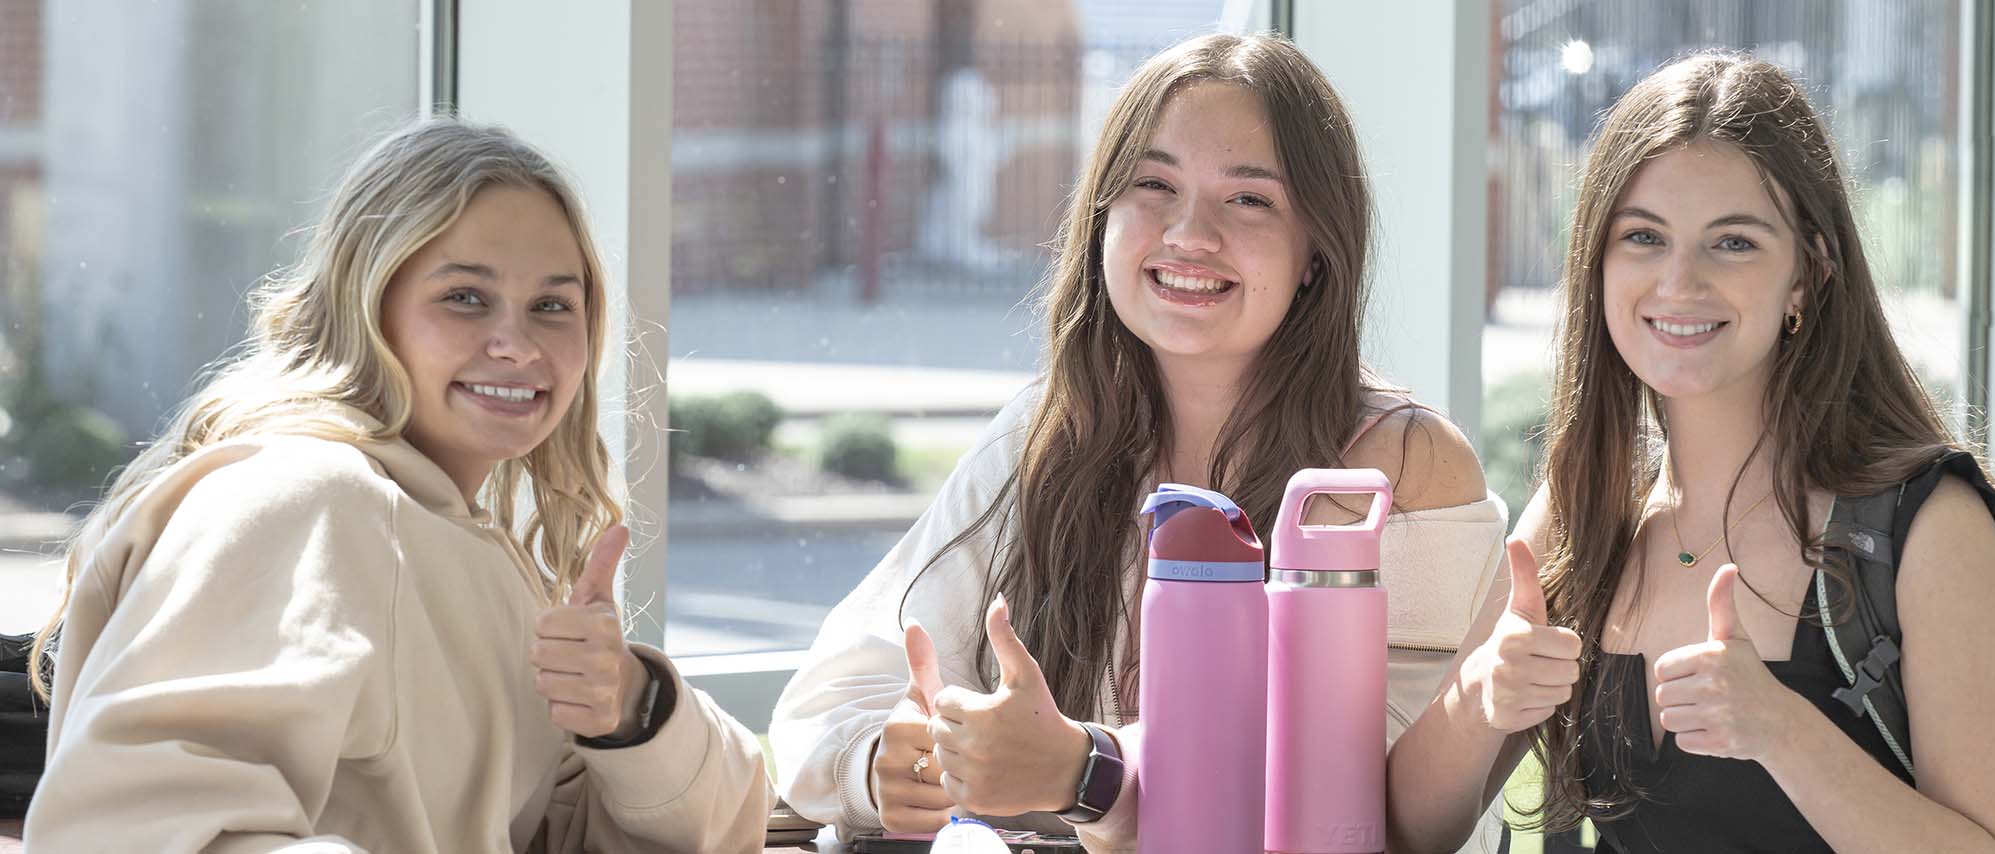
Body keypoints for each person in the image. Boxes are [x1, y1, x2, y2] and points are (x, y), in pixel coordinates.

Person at [770, 31, 1512, 852]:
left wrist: (1085, 770)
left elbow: (1377, 802)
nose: (1189, 233)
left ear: (1315, 252)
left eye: (1249, 199)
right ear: (1101, 218)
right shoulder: (1045, 434)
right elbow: (838, 688)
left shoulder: (1398, 468)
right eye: (1153, 185)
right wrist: (885, 761)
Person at [1386, 51, 1995, 853]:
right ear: (1597, 263)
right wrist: (1479, 697)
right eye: (1644, 237)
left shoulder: (1928, 529)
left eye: (1734, 243)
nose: (1680, 282)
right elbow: (1404, 833)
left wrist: (1783, 730)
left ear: (1808, 275)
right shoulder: (1586, 510)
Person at [25, 117, 771, 853]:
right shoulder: (302, 499)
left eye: (552, 305)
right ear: (364, 304)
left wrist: (630, 708)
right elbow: (133, 832)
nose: (517, 345)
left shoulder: (465, 544)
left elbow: (715, 826)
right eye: (465, 298)